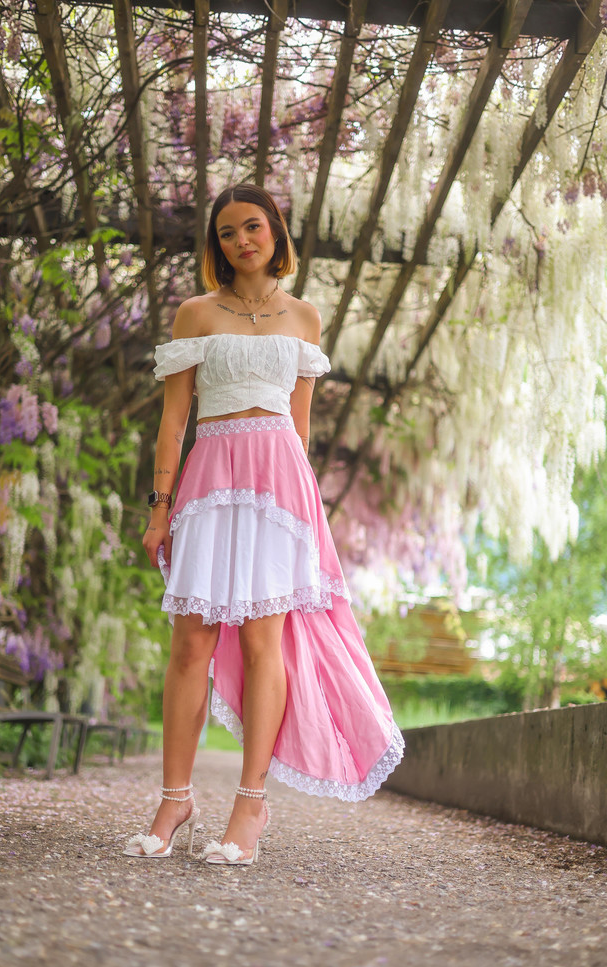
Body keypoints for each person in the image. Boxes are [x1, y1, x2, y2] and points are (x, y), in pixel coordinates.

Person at [123, 183, 404, 867]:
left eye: (252, 227)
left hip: (279, 485)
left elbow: (299, 429)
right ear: (215, 246)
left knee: (261, 643)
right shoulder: (195, 314)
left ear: (276, 231)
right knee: (190, 641)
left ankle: (250, 804)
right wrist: (159, 508)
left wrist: (306, 512)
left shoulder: (304, 317)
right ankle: (174, 800)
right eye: (226, 232)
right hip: (209, 479)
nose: (241, 241)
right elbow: (174, 421)